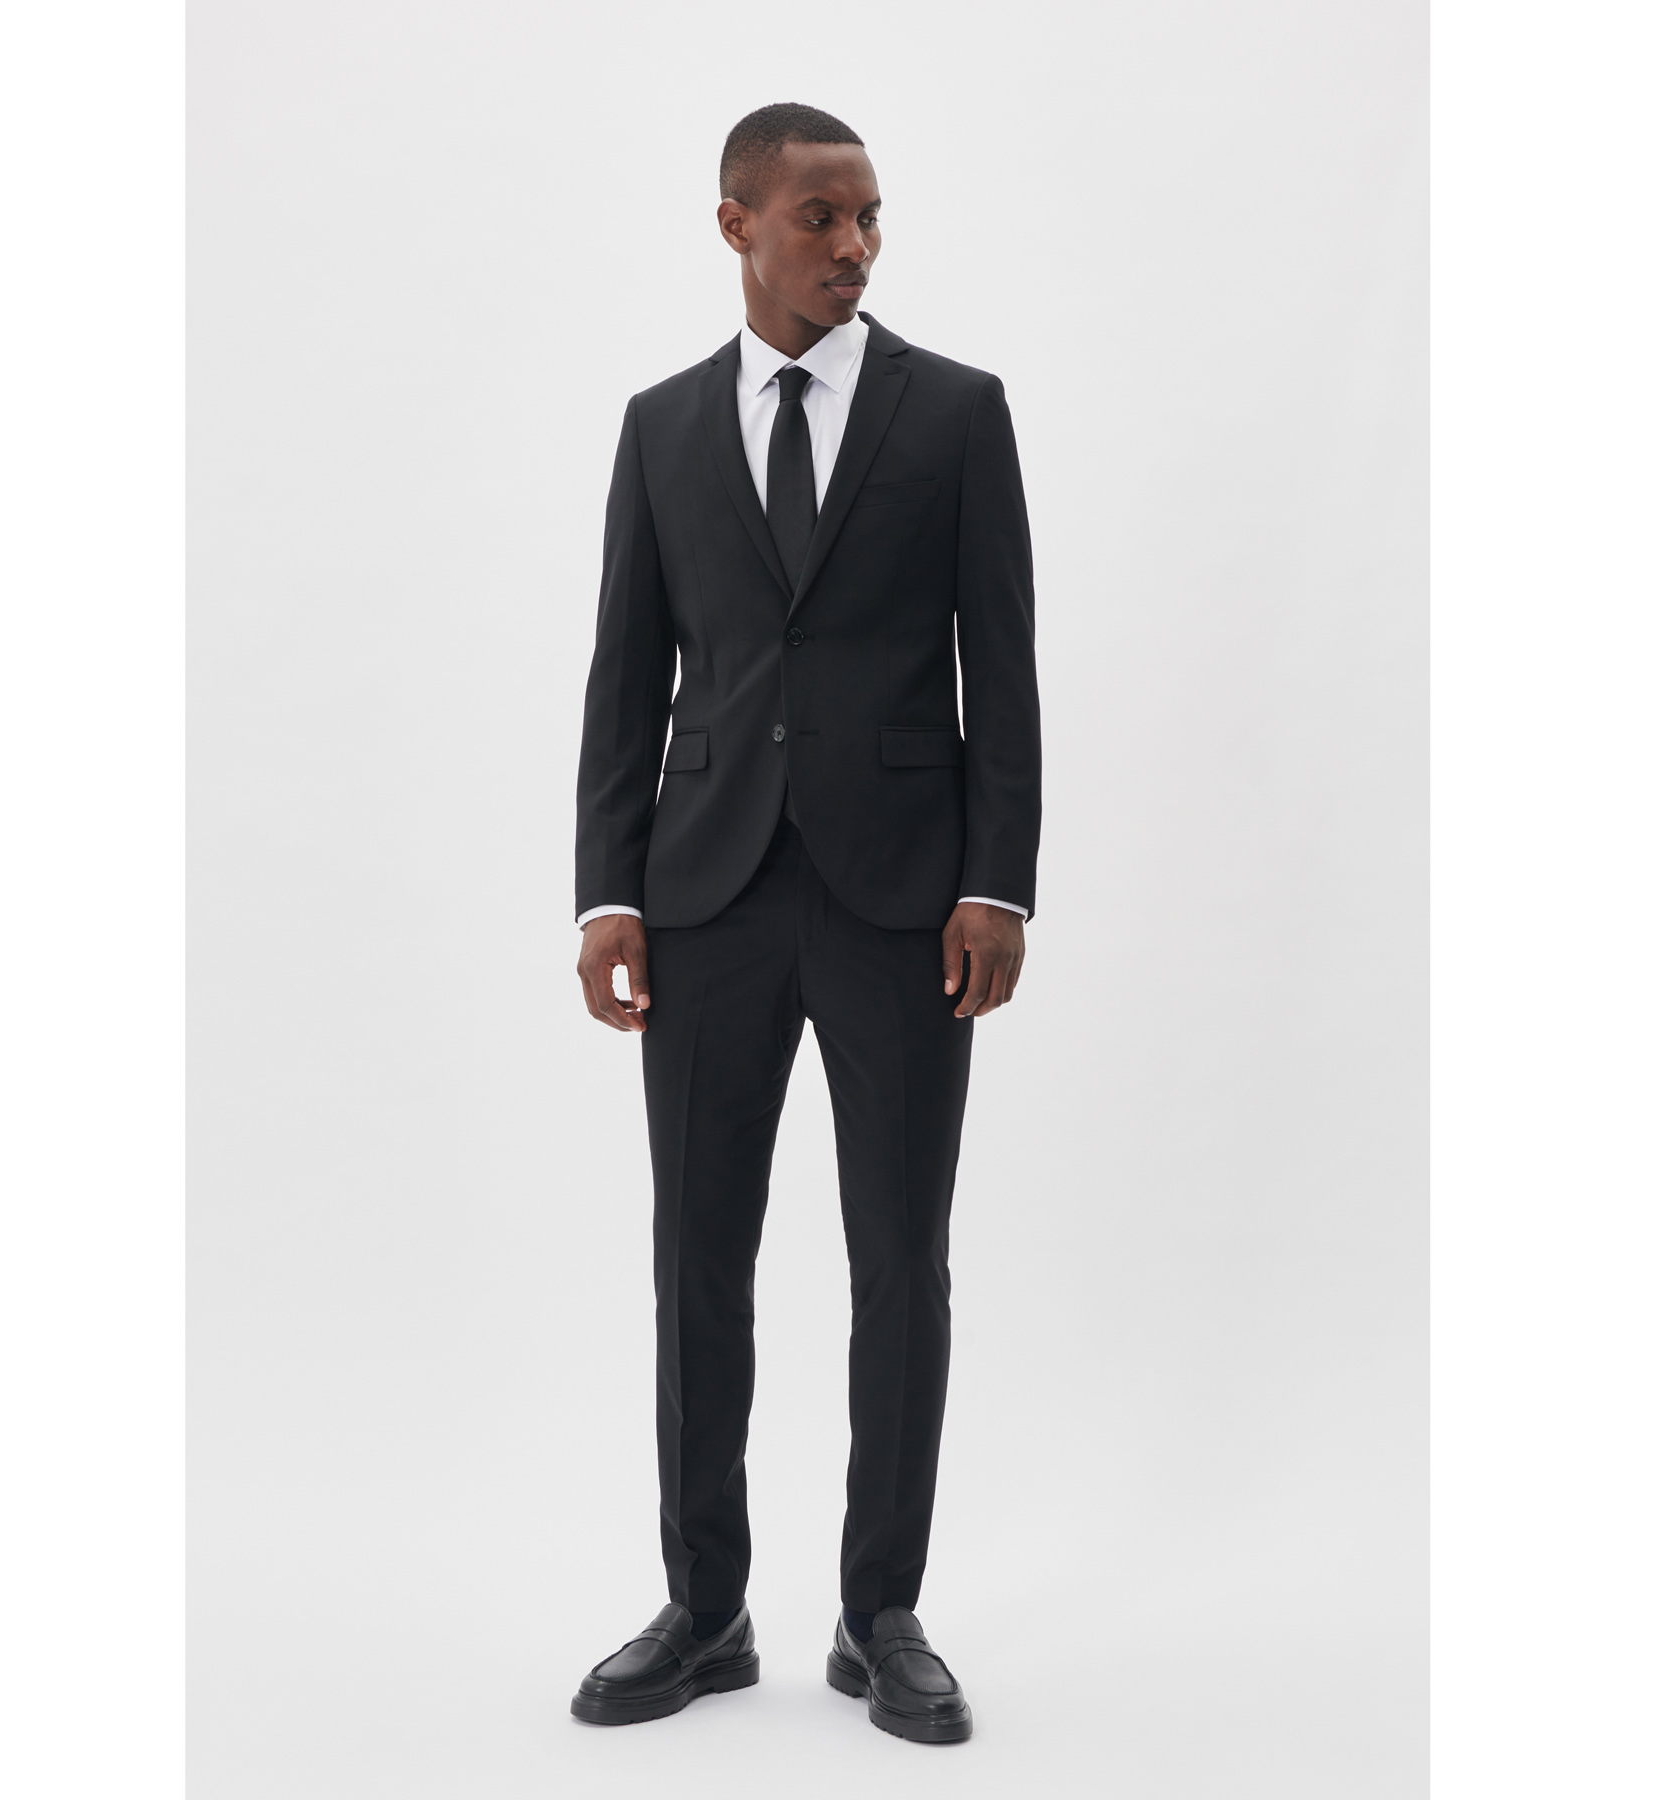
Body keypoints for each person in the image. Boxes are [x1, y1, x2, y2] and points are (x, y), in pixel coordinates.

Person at [568, 102, 1041, 1745]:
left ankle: (880, 1613)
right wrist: (608, 891)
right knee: (696, 1257)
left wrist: (998, 882)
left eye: (871, 217)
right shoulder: (660, 426)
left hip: (906, 904)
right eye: (821, 218)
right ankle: (703, 1611)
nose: (856, 246)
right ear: (737, 225)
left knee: (900, 1260)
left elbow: (1003, 667)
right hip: (703, 898)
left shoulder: (956, 412)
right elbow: (626, 675)